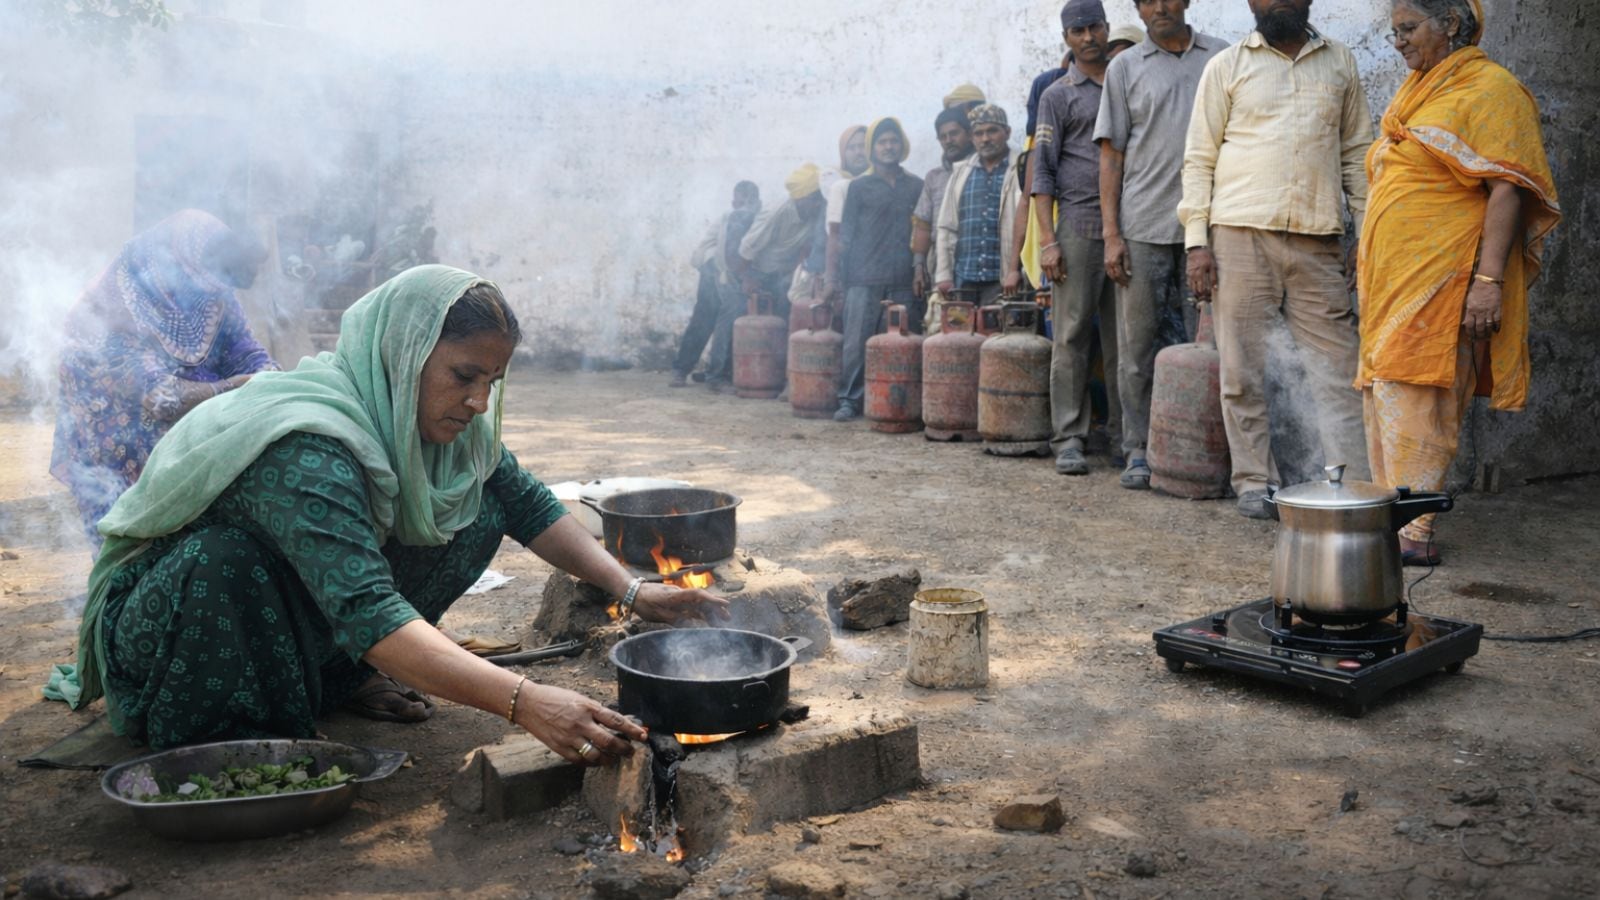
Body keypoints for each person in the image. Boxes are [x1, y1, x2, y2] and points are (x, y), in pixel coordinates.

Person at [43, 265, 729, 755]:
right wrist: (527, 702)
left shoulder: (439, 435)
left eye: (493, 381)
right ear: (402, 358)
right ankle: (230, 733)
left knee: (479, 502)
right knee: (227, 560)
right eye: (464, 376)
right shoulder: (310, 444)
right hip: (184, 630)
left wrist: (632, 588)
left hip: (293, 611)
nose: (478, 402)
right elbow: (368, 608)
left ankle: (333, 680)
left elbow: (525, 502)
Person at [1356, 0, 1559, 562]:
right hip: (1397, 279)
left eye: (1408, 29)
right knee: (1389, 391)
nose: (1397, 41)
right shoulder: (1419, 90)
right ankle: (1391, 516)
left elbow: (1508, 189)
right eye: (1393, 30)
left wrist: (1488, 281)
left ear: (1449, 23)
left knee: (1422, 392)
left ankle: (1414, 532)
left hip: (1448, 277)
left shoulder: (1493, 90)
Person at [1179, 0, 1374, 518]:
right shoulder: (1227, 66)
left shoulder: (1340, 62)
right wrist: (1197, 241)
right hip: (1239, 236)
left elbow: (1357, 152)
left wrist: (1368, 233)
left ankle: (1352, 487)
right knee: (1242, 370)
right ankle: (1253, 482)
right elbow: (1199, 157)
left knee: (1339, 370)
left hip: (1318, 239)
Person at [50, 210, 280, 549]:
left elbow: (242, 346)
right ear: (180, 261)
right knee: (135, 514)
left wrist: (266, 371)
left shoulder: (211, 286)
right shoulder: (117, 306)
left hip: (181, 397)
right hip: (112, 413)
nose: (212, 290)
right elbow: (158, 398)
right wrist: (236, 385)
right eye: (206, 280)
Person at [1095, 0, 1223, 489]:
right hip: (1144, 225)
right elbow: (1111, 157)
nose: (1161, 6)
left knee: (1209, 345)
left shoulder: (1221, 58)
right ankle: (1138, 451)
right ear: (1137, 8)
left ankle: (1207, 453)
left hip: (1208, 229)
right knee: (1138, 348)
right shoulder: (1124, 67)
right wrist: (1112, 235)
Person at [1033, 0, 1123, 476]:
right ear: (1067, 38)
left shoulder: (1126, 79)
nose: (1088, 37)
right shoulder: (1057, 95)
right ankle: (1069, 436)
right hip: (1079, 228)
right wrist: (1048, 241)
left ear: (1107, 28)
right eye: (1077, 30)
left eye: (1094, 27)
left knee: (1123, 339)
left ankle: (1127, 438)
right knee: (1070, 337)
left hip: (1133, 227)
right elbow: (1041, 172)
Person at [834, 118, 922, 422]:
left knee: (902, 344)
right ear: (873, 149)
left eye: (893, 141)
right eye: (882, 142)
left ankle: (900, 403)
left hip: (903, 279)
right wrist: (838, 280)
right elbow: (844, 236)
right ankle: (849, 399)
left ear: (902, 146)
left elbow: (923, 230)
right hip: (863, 277)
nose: (888, 147)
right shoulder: (858, 187)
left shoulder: (916, 185)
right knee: (856, 343)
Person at [669, 181, 760, 388]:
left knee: (731, 319)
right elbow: (728, 254)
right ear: (733, 202)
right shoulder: (733, 217)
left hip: (731, 269)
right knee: (706, 317)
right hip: (713, 266)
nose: (745, 205)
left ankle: (717, 372)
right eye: (740, 201)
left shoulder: (757, 217)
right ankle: (683, 369)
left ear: (757, 201)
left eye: (749, 200)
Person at [935, 104, 1022, 309]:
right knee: (962, 339)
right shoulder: (961, 173)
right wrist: (944, 275)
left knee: (1002, 339)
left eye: (992, 131)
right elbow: (946, 228)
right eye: (978, 133)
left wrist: (1017, 271)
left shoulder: (1021, 167)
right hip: (964, 279)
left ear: (1007, 132)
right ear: (972, 137)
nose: (985, 139)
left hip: (1005, 280)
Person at [731, 164, 828, 330]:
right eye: (813, 199)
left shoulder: (817, 211)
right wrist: (746, 278)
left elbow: (808, 246)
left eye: (820, 198)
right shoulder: (776, 212)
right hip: (757, 272)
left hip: (784, 275)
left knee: (783, 322)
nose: (818, 204)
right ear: (799, 198)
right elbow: (747, 247)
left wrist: (796, 276)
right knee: (747, 327)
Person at [912, 109, 975, 299]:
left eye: (954, 133)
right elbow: (923, 225)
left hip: (978, 264)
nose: (948, 140)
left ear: (969, 134)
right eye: (943, 136)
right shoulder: (934, 177)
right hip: (942, 266)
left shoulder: (982, 170)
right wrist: (919, 267)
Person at [823, 125, 870, 308]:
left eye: (862, 146)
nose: (858, 152)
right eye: (851, 148)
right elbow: (831, 236)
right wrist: (830, 280)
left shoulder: (885, 182)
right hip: (846, 274)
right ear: (843, 152)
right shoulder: (835, 186)